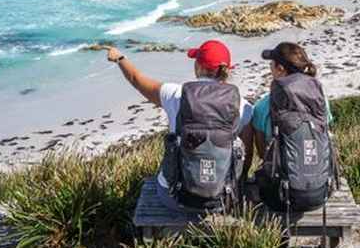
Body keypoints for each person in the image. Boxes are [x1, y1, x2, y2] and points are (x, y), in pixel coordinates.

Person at [107, 40, 253, 214]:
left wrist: (120, 58)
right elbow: (246, 154)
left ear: (198, 66)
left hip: (174, 197)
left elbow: (136, 80)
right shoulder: (243, 106)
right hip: (221, 199)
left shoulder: (175, 94)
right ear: (227, 70)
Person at [252, 42, 336, 213]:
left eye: (271, 64)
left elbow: (263, 154)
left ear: (280, 69)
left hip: (280, 196)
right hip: (321, 192)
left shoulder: (262, 106)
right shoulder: (321, 101)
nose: (270, 68)